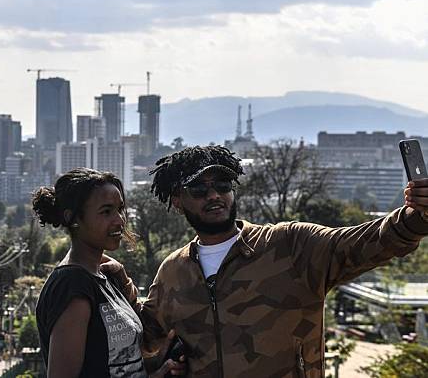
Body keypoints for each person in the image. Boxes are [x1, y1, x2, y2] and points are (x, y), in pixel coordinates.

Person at [112, 145, 428, 377]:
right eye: (199, 189)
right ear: (178, 201)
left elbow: (365, 243)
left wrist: (417, 217)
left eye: (222, 185)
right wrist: (113, 279)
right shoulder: (174, 272)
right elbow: (143, 340)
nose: (214, 196)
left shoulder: (290, 246)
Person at [33, 168, 185, 378]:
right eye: (106, 211)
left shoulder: (107, 277)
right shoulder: (72, 285)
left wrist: (161, 364)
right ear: (74, 218)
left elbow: (117, 366)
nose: (119, 220)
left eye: (120, 209)